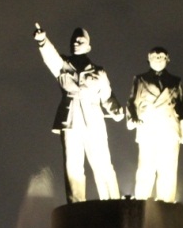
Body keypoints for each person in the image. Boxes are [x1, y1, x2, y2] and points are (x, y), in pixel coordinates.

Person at [33, 23, 123, 203]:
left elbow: (107, 96)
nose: (76, 42)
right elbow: (51, 58)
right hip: (71, 119)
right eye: (74, 40)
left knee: (102, 163)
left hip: (94, 120)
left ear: (88, 46)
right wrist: (43, 40)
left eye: (80, 40)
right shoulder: (63, 66)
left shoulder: (99, 72)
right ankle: (76, 204)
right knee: (73, 166)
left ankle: (112, 201)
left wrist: (116, 110)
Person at [126, 47, 183, 203]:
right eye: (154, 56)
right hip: (148, 127)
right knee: (145, 170)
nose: (158, 58)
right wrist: (132, 118)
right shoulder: (140, 79)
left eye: (161, 56)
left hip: (169, 129)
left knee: (167, 171)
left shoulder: (176, 81)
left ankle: (167, 204)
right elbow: (131, 102)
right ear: (148, 58)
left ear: (167, 58)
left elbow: (181, 107)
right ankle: (141, 202)